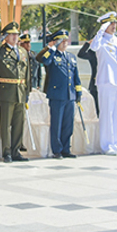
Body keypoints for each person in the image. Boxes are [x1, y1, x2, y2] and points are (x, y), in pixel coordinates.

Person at [0, 22, 31, 163]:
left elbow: (27, 72)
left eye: (16, 34)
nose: (14, 37)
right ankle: (6, 152)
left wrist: (27, 91)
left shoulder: (23, 51)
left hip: (21, 91)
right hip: (7, 91)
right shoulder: (1, 50)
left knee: (19, 123)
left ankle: (16, 150)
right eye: (11, 35)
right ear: (5, 37)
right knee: (6, 124)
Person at [36, 30, 81, 159]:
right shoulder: (52, 55)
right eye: (62, 41)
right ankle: (57, 150)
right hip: (57, 95)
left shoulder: (71, 57)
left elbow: (75, 77)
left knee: (68, 124)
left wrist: (78, 92)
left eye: (66, 40)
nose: (65, 43)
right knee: (57, 124)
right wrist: (51, 47)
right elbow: (43, 60)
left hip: (69, 95)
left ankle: (66, 149)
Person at [90, 12, 117, 155]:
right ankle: (106, 145)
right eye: (110, 24)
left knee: (116, 114)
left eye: (114, 23)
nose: (114, 26)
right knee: (107, 113)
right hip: (106, 80)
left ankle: (115, 143)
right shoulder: (100, 41)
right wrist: (100, 31)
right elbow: (93, 47)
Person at [77, 39, 99, 115]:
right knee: (96, 109)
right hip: (95, 83)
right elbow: (81, 54)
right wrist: (88, 43)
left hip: (108, 84)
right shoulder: (93, 53)